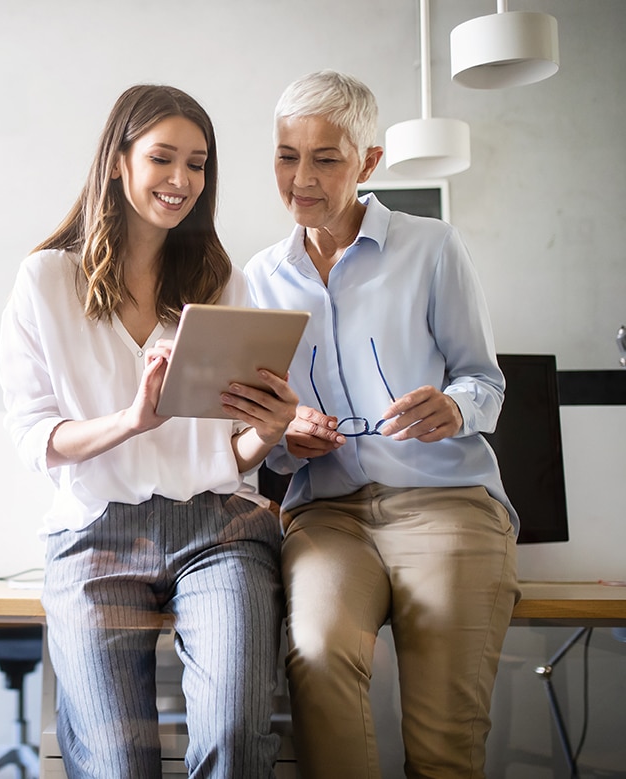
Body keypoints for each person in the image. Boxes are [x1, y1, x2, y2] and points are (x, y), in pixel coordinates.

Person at [0, 84, 298, 779]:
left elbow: (230, 450)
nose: (181, 180)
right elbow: (34, 438)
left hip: (217, 528)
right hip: (94, 534)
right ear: (116, 161)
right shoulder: (46, 281)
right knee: (115, 760)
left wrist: (267, 430)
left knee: (233, 729)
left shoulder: (218, 279)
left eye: (197, 164)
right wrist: (133, 420)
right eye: (162, 158)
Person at [244, 70, 521, 779]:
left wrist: (454, 406)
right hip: (327, 515)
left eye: (324, 158)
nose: (299, 178)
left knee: (440, 741)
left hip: (446, 504)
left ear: (367, 163)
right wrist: (286, 439)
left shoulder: (432, 248)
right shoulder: (258, 279)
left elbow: (483, 380)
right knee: (316, 656)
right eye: (285, 154)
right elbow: (259, 433)